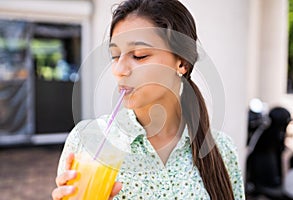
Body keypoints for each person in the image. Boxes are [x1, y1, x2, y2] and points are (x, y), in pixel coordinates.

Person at [52, 0, 245, 199]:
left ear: (182, 62)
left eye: (139, 55)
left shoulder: (221, 149)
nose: (119, 70)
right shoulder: (86, 141)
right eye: (115, 56)